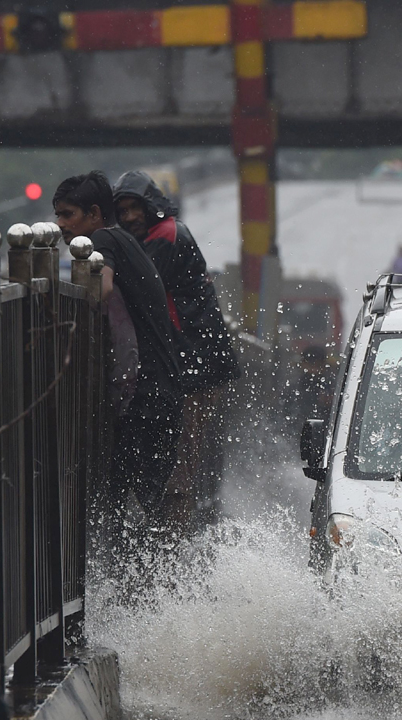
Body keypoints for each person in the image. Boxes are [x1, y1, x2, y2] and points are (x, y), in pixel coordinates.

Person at [53, 171, 184, 539]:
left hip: (147, 399)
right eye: (58, 216)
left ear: (94, 213)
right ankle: (153, 590)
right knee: (137, 504)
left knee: (125, 503)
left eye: (67, 214)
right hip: (159, 396)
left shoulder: (104, 239)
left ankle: (144, 590)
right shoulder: (126, 241)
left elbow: (100, 288)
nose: (61, 225)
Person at [112, 171, 239, 527]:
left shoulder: (165, 238)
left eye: (135, 208)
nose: (129, 217)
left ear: (151, 206)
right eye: (122, 211)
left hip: (191, 370)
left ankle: (171, 545)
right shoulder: (164, 233)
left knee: (178, 460)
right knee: (179, 455)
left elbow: (132, 287)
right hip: (193, 366)